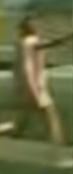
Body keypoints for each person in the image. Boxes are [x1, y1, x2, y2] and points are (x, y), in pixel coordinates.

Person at [11, 15, 73, 167]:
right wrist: (68, 37)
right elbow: (47, 46)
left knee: (22, 123)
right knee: (52, 120)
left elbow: (43, 47)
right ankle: (59, 157)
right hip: (36, 87)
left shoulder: (23, 42)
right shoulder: (30, 41)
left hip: (29, 86)